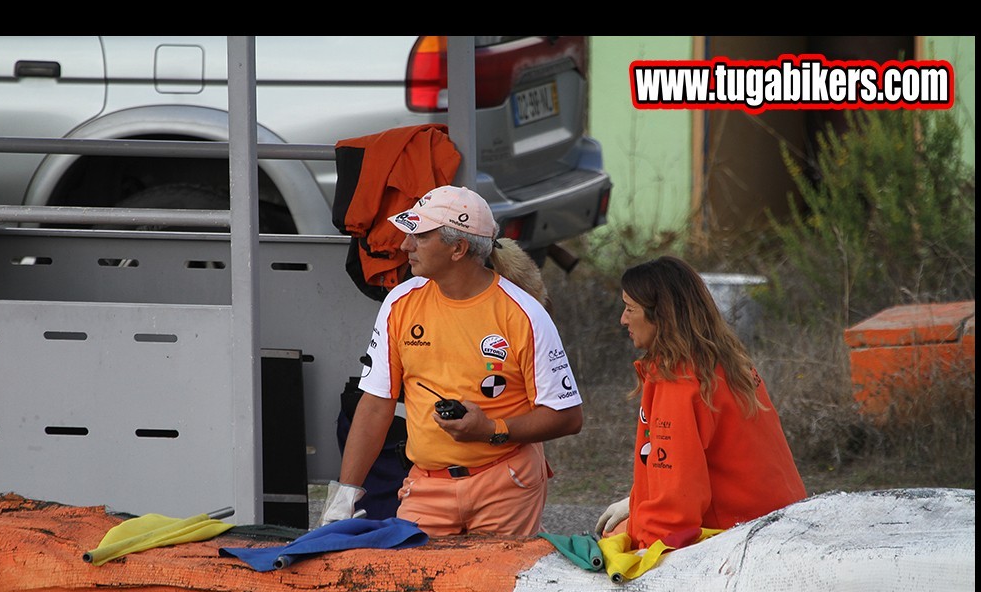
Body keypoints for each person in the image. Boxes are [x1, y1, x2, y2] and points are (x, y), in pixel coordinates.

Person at [322, 185, 583, 535]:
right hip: (426, 487)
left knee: (494, 590)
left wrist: (492, 430)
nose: (405, 246)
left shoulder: (524, 313)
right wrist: (346, 493)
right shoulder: (400, 303)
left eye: (420, 236)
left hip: (505, 484)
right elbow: (375, 404)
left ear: (458, 248)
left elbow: (567, 416)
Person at [595, 255, 806, 551]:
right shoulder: (726, 362)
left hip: (743, 536)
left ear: (662, 317)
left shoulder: (679, 381)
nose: (623, 319)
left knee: (615, 536)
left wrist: (637, 556)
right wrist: (636, 501)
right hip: (785, 520)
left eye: (630, 309)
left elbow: (672, 514)